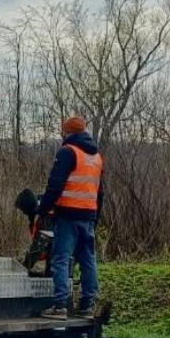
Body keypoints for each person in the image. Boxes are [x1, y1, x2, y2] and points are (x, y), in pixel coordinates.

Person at [36, 115, 102, 320]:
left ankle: (60, 306)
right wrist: (95, 217)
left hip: (68, 214)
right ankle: (87, 305)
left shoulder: (67, 152)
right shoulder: (96, 156)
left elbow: (55, 184)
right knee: (88, 260)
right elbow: (100, 192)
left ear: (67, 132)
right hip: (89, 215)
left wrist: (43, 210)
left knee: (61, 259)